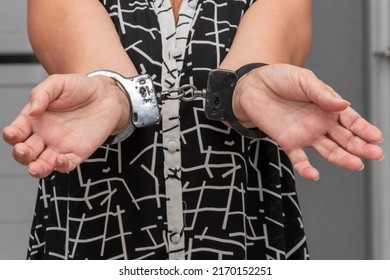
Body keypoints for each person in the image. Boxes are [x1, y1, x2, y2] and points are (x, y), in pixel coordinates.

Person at [2, 0, 384, 260]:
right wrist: (114, 93)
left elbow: (275, 35)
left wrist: (244, 87)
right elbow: (66, 27)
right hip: (97, 223)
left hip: (241, 224)